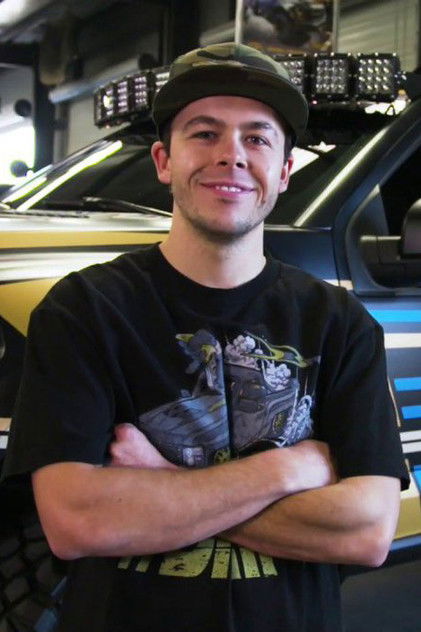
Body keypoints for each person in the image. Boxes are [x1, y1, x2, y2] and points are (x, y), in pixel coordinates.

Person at [2, 42, 409, 632]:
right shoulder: (83, 309)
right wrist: (284, 471)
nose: (231, 155)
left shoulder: (340, 321)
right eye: (204, 133)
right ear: (164, 160)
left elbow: (367, 533)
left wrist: (166, 485)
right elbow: (78, 522)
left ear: (284, 172)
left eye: (257, 138)